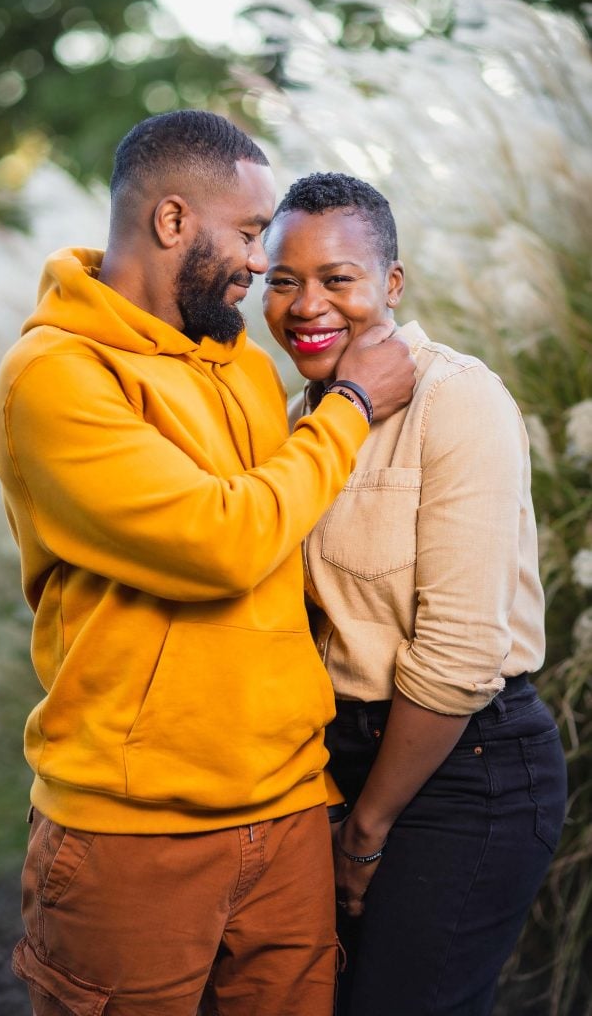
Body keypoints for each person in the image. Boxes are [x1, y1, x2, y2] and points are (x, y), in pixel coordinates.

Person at [0, 113, 415, 1016]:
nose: (260, 262)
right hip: (132, 833)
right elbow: (218, 543)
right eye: (251, 231)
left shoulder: (244, 370)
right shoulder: (58, 376)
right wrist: (346, 407)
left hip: (292, 810)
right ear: (174, 222)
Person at [262, 171, 568, 1016]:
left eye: (337, 279)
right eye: (282, 280)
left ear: (391, 284)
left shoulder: (456, 399)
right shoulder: (300, 419)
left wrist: (365, 831)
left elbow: (462, 652)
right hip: (337, 762)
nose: (306, 305)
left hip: (467, 766)